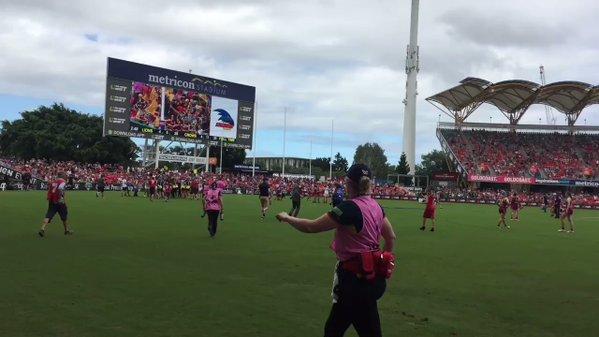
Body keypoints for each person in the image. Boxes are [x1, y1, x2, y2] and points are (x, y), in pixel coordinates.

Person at [276, 164, 396, 337]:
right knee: (361, 328)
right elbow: (390, 237)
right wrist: (382, 262)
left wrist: (288, 218)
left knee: (335, 330)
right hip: (372, 278)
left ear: (348, 183)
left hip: (352, 279)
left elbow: (311, 227)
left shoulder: (349, 208)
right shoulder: (377, 206)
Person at [38, 172, 74, 237]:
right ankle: (66, 230)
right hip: (59, 201)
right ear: (63, 176)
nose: (66, 177)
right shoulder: (62, 181)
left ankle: (42, 228)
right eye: (65, 176)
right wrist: (61, 196)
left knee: (49, 214)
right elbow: (60, 188)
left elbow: (50, 190)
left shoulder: (54, 182)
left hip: (52, 200)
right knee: (64, 216)